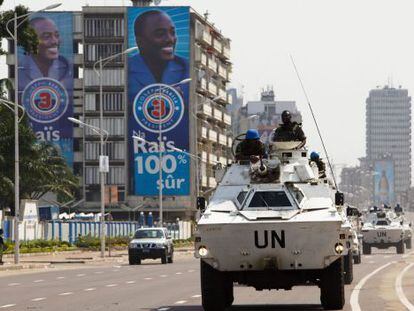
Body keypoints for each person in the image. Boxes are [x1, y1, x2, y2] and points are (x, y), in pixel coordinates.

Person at [128, 10, 189, 90]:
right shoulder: (127, 69)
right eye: (160, 34)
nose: (170, 39)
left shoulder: (186, 68)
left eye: (172, 32)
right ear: (140, 42)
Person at [19, 17, 72, 87]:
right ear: (31, 42)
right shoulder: (20, 69)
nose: (54, 41)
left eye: (57, 35)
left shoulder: (67, 68)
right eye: (47, 36)